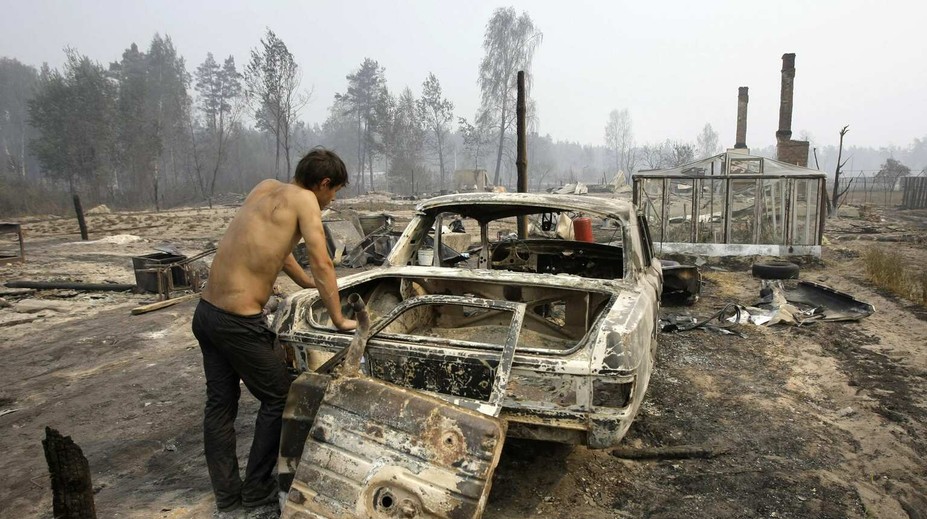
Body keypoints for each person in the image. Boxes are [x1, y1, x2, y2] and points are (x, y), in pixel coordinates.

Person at [191, 148, 357, 512]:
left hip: (206, 314)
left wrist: (307, 286)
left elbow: (278, 253)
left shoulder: (265, 188)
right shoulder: (306, 201)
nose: (332, 200)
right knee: (279, 396)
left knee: (220, 405)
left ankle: (228, 498)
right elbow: (322, 261)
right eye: (335, 192)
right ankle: (257, 491)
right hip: (237, 321)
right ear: (324, 183)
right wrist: (339, 317)